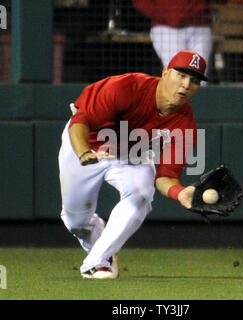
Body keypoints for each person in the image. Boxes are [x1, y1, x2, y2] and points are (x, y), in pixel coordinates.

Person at [58, 50, 208, 279]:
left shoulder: (185, 125)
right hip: (86, 144)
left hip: (131, 154)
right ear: (165, 73)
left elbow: (166, 177)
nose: (186, 85)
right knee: (76, 221)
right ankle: (100, 249)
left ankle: (97, 262)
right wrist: (83, 152)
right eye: (181, 75)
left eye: (195, 81)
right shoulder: (126, 87)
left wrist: (180, 194)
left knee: (141, 193)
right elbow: (81, 121)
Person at [132, 0, 213, 74]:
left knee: (199, 76)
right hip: (167, 27)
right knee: (177, 73)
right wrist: (167, 13)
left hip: (200, 25)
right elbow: (140, 2)